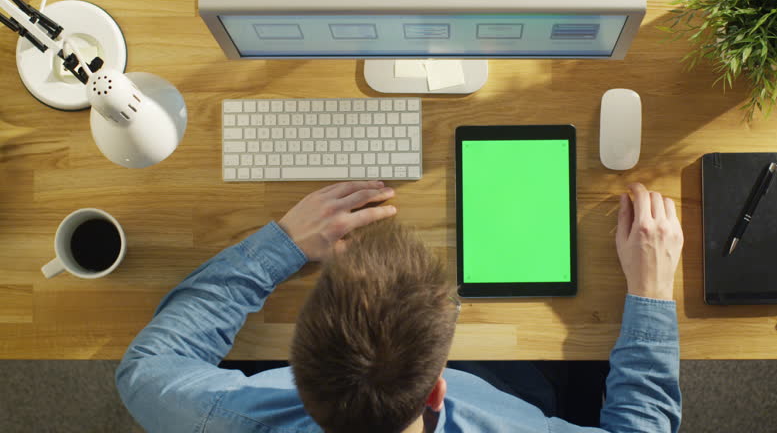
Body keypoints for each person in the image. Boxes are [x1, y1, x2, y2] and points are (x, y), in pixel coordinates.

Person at [116, 181, 684, 433]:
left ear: (294, 375)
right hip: (519, 387)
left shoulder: (230, 417)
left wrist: (282, 246)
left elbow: (145, 371)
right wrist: (652, 291)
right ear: (439, 388)